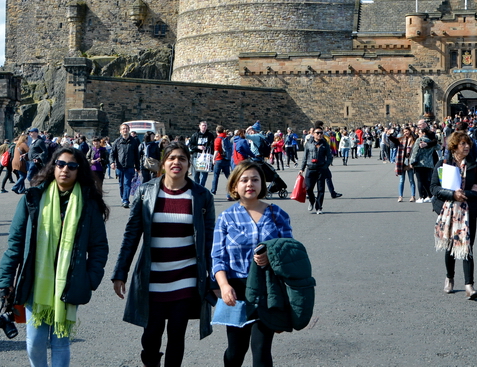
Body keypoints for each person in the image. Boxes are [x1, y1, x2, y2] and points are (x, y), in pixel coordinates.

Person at [0, 147, 109, 367]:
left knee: (60, 342)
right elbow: (15, 243)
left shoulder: (88, 204)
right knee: (35, 343)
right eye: (61, 164)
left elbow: (98, 247)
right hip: (36, 280)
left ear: (79, 171)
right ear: (53, 167)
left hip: (70, 281)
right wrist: (5, 280)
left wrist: (91, 279)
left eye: (72, 166)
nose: (65, 169)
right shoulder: (33, 197)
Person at [113, 141, 215, 367]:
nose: (176, 162)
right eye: (171, 158)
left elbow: (209, 242)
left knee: (177, 336)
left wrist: (215, 278)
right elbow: (131, 235)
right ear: (163, 163)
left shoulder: (201, 196)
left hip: (185, 278)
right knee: (151, 337)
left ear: (189, 164)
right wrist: (121, 272)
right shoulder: (146, 191)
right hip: (153, 279)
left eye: (182, 158)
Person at [212, 161, 293, 367]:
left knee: (261, 350)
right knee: (235, 351)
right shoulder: (226, 218)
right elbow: (217, 257)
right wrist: (223, 285)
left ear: (262, 184)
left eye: (255, 179)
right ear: (235, 186)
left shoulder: (278, 215)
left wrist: (271, 257)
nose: (250, 184)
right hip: (236, 289)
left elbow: (290, 254)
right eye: (244, 180)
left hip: (267, 288)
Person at [431, 131, 477, 300]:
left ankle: (469, 285)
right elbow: (433, 187)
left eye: (468, 143)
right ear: (454, 146)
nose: (467, 146)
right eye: (462, 144)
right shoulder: (444, 163)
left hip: (468, 212)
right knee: (450, 247)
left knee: (467, 248)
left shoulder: (474, 166)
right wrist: (452, 195)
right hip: (449, 212)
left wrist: (466, 193)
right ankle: (450, 277)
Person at [300, 127, 331, 214]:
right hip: (310, 168)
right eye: (317, 133)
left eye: (321, 133)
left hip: (321, 169)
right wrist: (301, 169)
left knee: (321, 189)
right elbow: (304, 157)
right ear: (313, 134)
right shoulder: (308, 144)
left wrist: (325, 166)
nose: (320, 134)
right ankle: (312, 200)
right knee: (309, 188)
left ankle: (319, 207)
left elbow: (329, 157)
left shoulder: (325, 144)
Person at [113, 123, 141, 208]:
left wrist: (137, 167)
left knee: (127, 183)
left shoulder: (133, 141)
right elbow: (112, 153)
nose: (125, 130)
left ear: (129, 130)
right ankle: (123, 197)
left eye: (126, 128)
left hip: (129, 167)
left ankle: (126, 200)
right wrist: (112, 162)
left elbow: (137, 155)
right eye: (123, 129)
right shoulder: (117, 141)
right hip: (120, 167)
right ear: (120, 131)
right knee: (121, 184)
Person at [411, 125, 439, 203]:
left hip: (419, 163)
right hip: (429, 163)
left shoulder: (419, 140)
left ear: (423, 133)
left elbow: (415, 152)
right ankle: (429, 196)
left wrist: (412, 162)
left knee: (420, 180)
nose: (418, 134)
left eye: (420, 132)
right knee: (426, 180)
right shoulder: (430, 141)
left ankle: (421, 197)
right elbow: (439, 147)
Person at [395, 127, 417, 202]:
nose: (405, 133)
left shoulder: (413, 140)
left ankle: (413, 196)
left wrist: (412, 163)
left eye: (407, 131)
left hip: (410, 162)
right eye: (404, 132)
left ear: (410, 131)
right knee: (401, 180)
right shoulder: (401, 140)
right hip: (402, 162)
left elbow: (414, 152)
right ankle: (400, 196)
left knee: (411, 180)